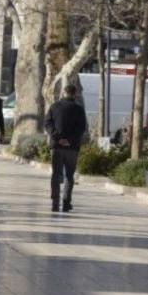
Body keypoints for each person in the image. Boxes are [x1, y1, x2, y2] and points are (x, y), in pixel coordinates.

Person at [44, 84, 88, 213]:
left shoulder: (54, 107)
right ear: (74, 94)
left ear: (63, 93)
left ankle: (55, 202)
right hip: (72, 148)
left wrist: (58, 138)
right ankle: (66, 202)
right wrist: (70, 140)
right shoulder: (79, 109)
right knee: (69, 176)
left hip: (56, 147)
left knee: (56, 175)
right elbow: (81, 128)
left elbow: (47, 123)